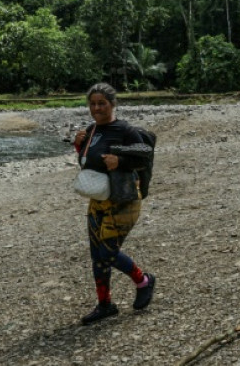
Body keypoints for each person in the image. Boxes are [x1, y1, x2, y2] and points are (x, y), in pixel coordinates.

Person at [72, 82, 156, 324]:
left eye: (102, 103)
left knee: (107, 253)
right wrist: (80, 145)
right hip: (98, 202)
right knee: (96, 256)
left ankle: (144, 281)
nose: (97, 108)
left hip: (123, 200)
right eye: (93, 103)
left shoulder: (126, 130)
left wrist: (120, 161)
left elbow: (144, 155)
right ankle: (105, 304)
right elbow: (88, 162)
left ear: (112, 104)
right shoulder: (91, 130)